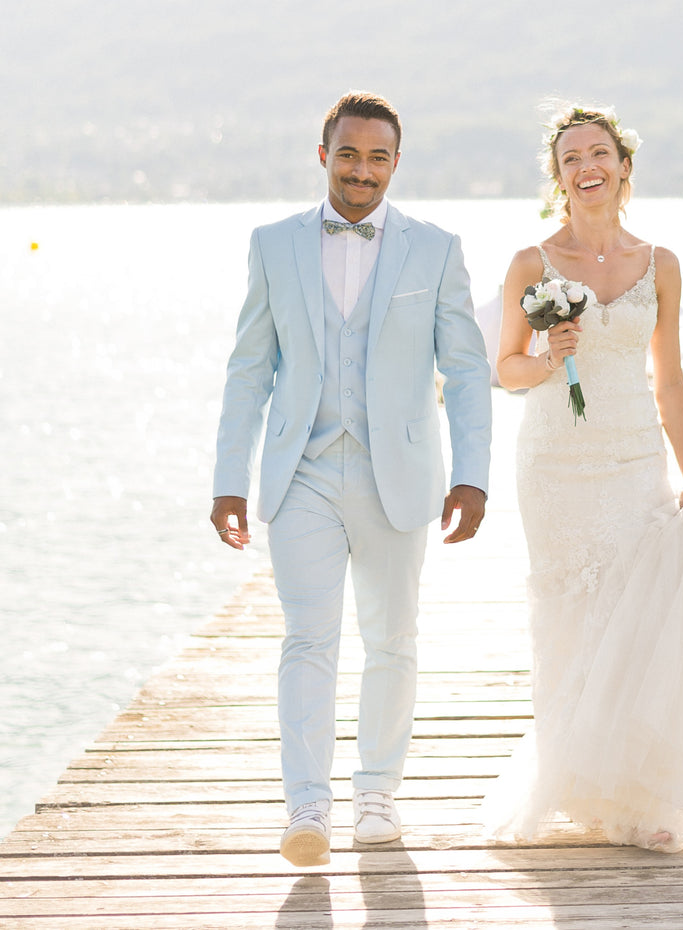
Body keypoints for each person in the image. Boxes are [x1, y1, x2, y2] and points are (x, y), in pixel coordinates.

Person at [210, 92, 492, 867]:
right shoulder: (274, 244)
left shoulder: (434, 248)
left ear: (396, 163)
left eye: (378, 157)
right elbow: (248, 368)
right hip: (300, 470)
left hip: (398, 472)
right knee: (308, 637)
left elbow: (466, 370)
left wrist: (473, 476)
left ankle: (376, 792)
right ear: (324, 153)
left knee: (392, 640)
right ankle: (307, 805)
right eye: (348, 153)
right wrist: (227, 478)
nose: (362, 170)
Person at [483, 104, 683, 852]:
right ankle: (574, 787)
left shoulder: (660, 263)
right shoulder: (530, 264)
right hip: (556, 465)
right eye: (570, 158)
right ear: (558, 176)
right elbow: (506, 368)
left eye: (598, 153)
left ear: (624, 167)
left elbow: (669, 381)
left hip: (636, 458)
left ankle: (639, 795)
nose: (586, 168)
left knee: (640, 615)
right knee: (571, 621)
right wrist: (548, 356)